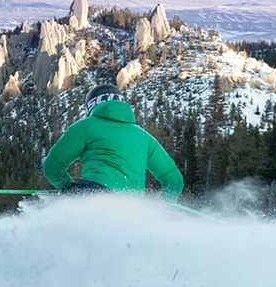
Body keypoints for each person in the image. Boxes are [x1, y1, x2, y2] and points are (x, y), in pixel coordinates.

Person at [43, 84, 184, 201]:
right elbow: (174, 182)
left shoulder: (85, 126)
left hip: (92, 195)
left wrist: (67, 187)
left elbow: (52, 167)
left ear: (91, 106)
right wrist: (160, 208)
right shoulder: (145, 137)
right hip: (132, 207)